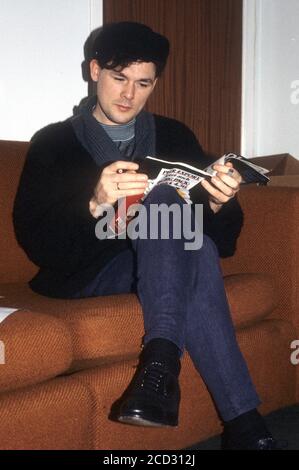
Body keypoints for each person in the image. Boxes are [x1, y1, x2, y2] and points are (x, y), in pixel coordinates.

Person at [13, 22, 280, 450]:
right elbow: (40, 245)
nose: (128, 95)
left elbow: (222, 241)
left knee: (178, 220)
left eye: (142, 83)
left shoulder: (174, 136)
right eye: (119, 78)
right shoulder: (54, 143)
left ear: (154, 84)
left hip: (170, 256)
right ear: (95, 70)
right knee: (177, 222)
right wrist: (93, 205)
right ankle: (242, 422)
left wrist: (216, 202)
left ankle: (166, 377)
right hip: (90, 269)